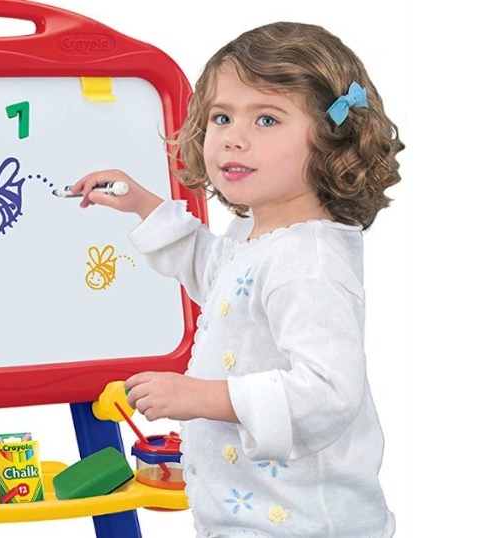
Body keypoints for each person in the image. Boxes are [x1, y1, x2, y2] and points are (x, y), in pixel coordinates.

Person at [71, 22, 403, 537]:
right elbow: (223, 285)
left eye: (267, 119)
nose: (234, 137)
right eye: (221, 117)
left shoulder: (307, 262)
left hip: (303, 524)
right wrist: (145, 206)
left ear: (332, 138)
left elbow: (328, 393)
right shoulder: (260, 231)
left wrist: (199, 397)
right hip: (253, 513)